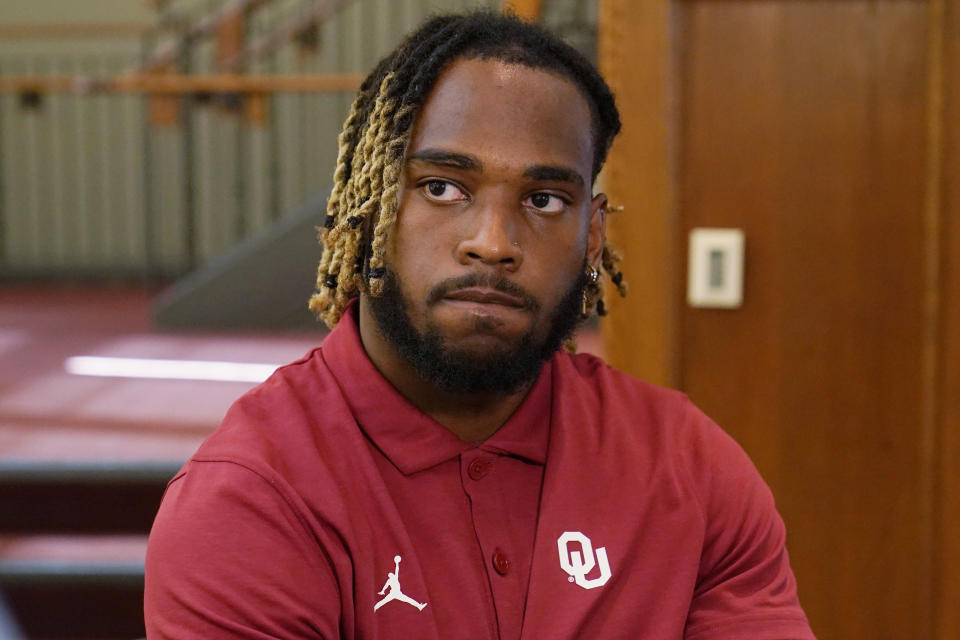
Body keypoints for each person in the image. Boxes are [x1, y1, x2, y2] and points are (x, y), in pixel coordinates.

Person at [144, 10, 815, 640]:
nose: (493, 242)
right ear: (369, 203)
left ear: (592, 236)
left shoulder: (689, 469)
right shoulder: (247, 502)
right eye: (443, 187)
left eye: (545, 199)